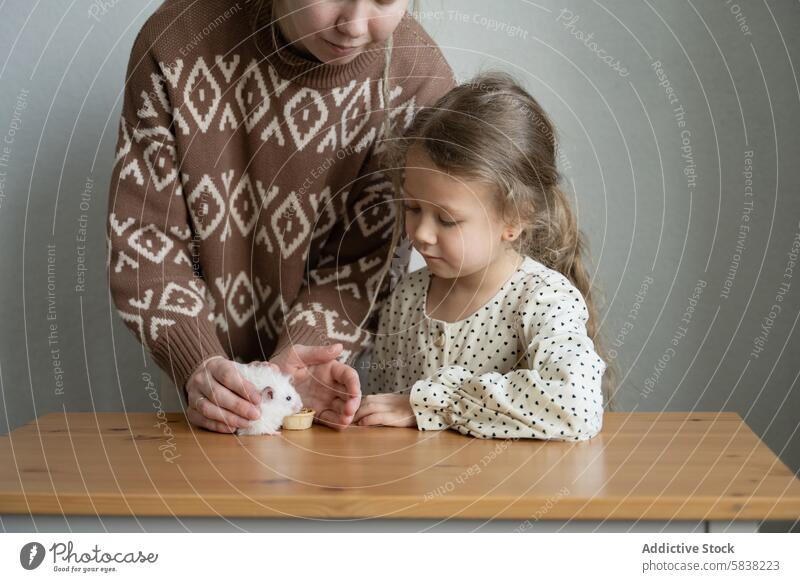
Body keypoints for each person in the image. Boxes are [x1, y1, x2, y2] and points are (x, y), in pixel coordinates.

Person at [106, 0, 454, 433]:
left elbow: (364, 262)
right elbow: (144, 237)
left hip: (323, 386)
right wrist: (198, 361)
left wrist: (292, 370)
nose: (354, 25)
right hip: (201, 382)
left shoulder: (418, 78)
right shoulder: (176, 41)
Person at [355, 72, 615, 439]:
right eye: (412, 208)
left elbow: (576, 407)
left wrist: (437, 402)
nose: (421, 234)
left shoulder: (543, 300)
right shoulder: (406, 299)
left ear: (515, 218)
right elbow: (383, 419)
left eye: (447, 220)